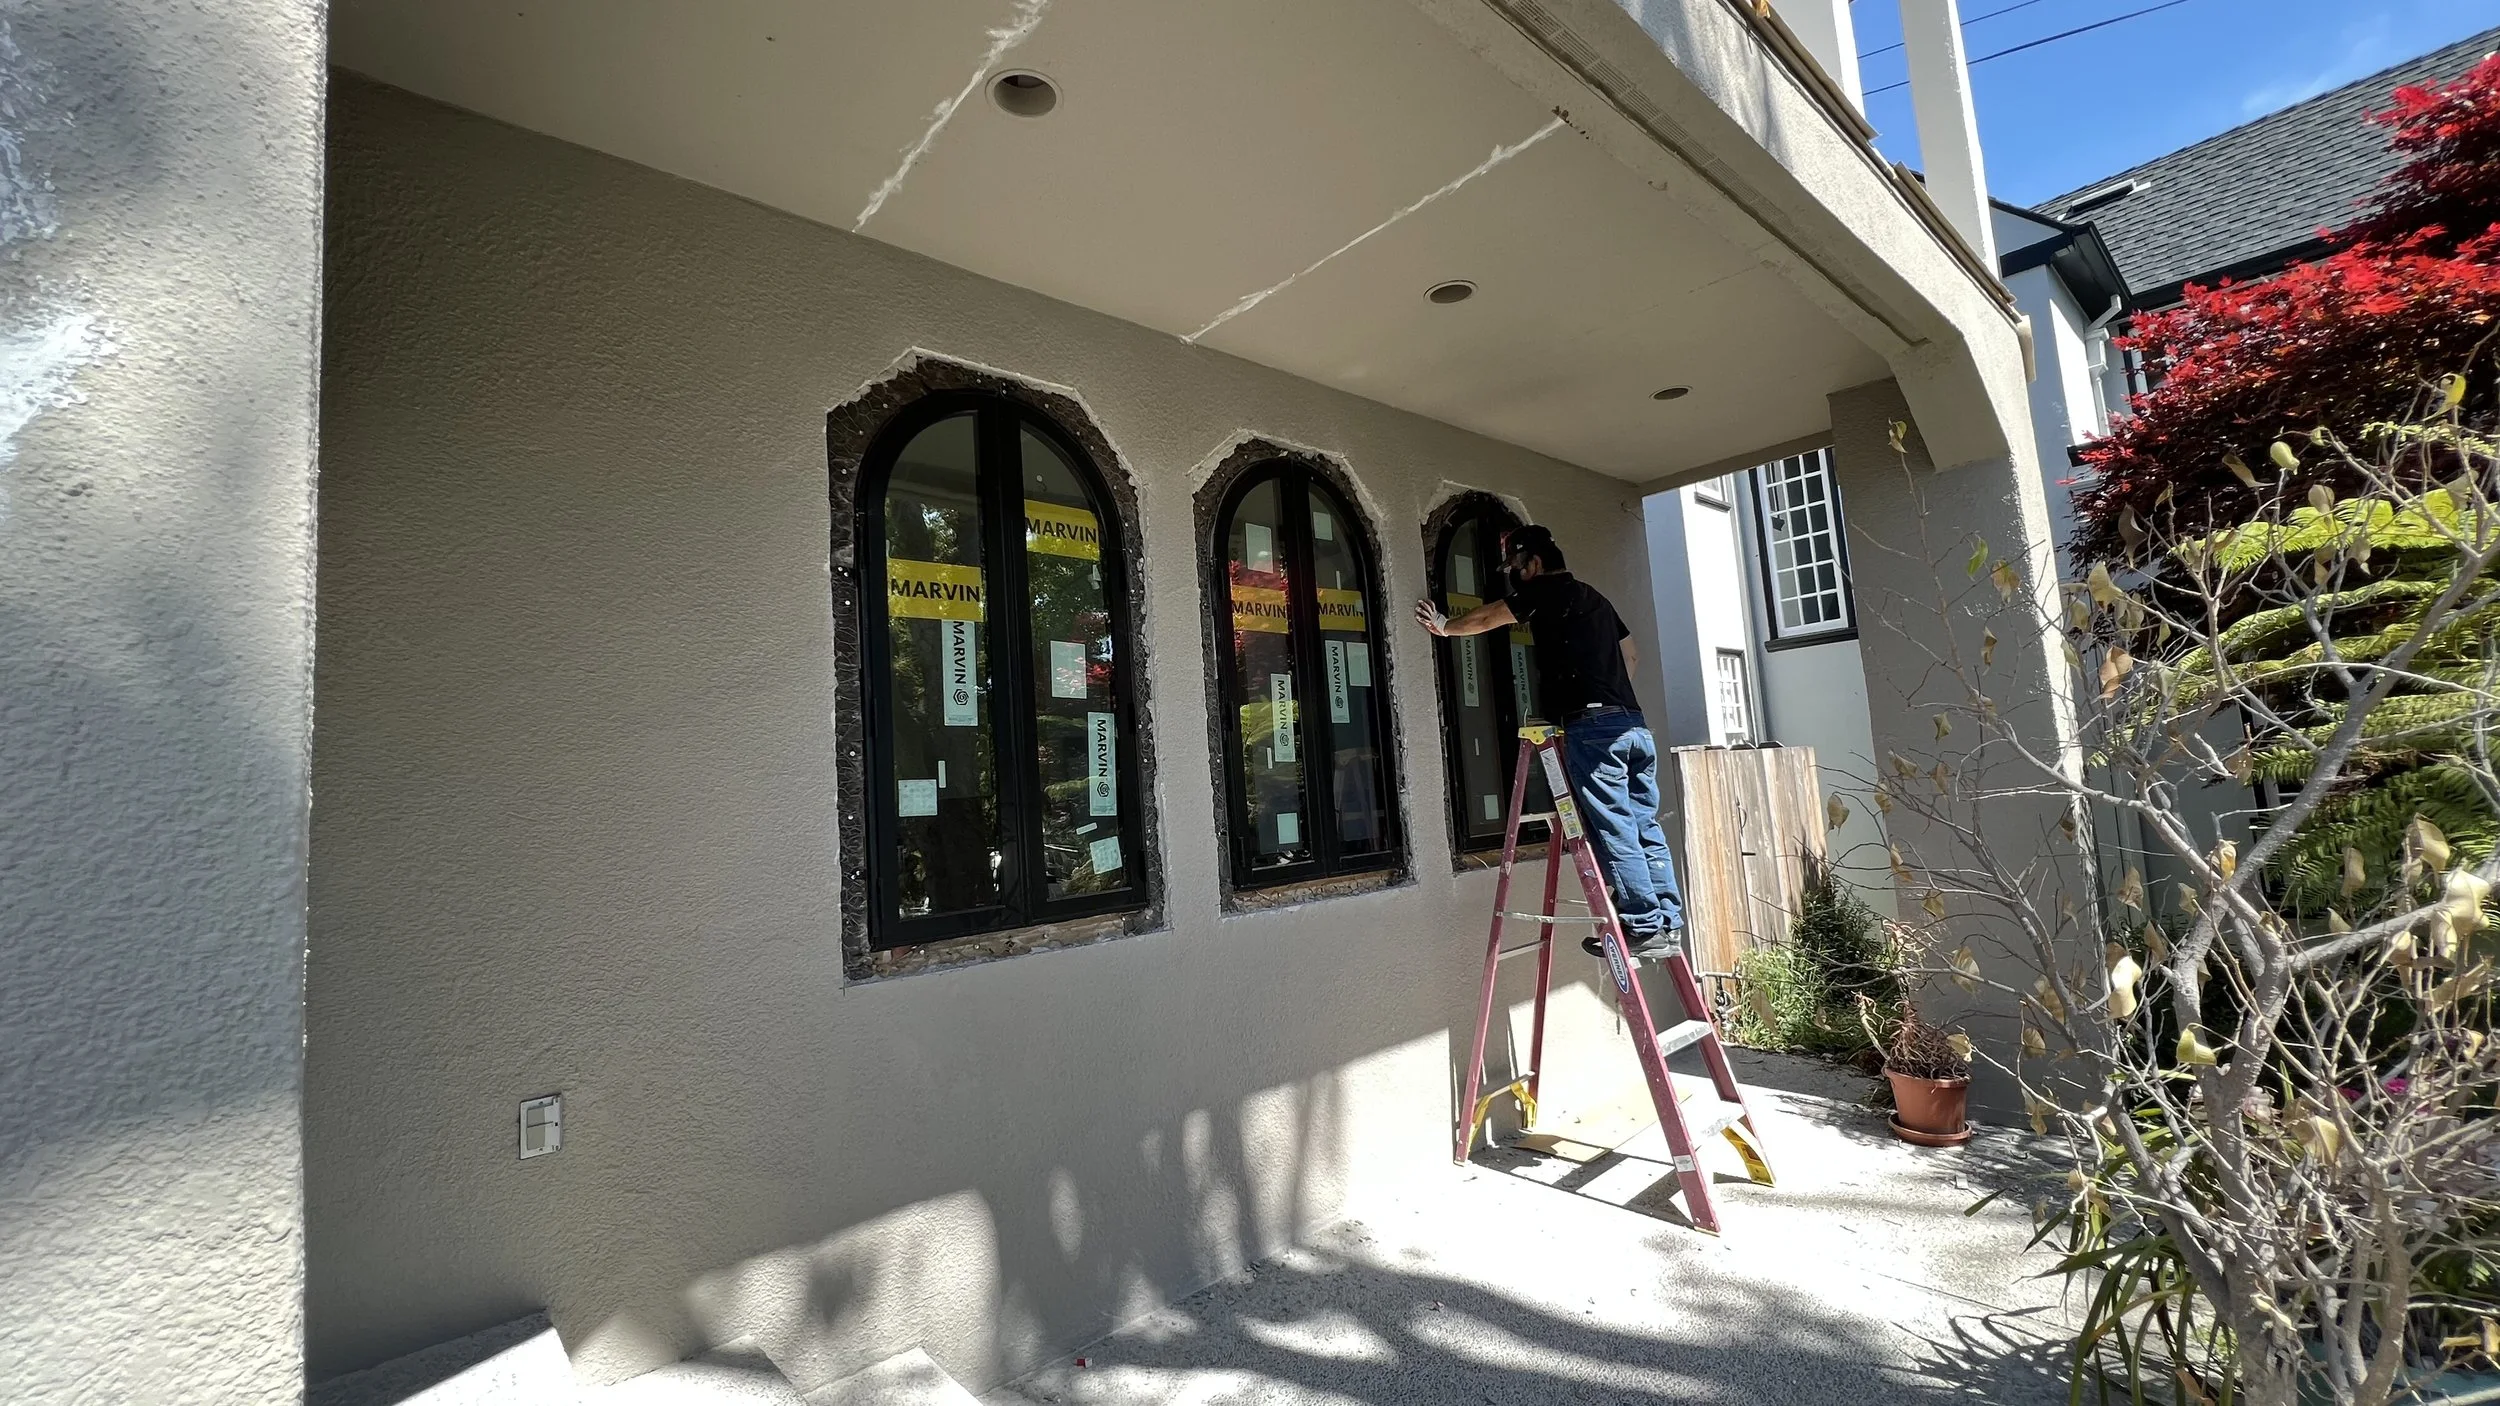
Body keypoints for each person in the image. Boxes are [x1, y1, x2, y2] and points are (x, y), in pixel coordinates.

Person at [1415, 524, 1684, 960]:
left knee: (1612, 825)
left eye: (1516, 569)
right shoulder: (1594, 598)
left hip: (1594, 730)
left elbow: (1487, 617)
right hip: (1632, 724)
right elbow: (1631, 654)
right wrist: (1608, 702)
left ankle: (1642, 924)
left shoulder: (1546, 592)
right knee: (1644, 824)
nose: (1514, 577)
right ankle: (1668, 923)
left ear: (1535, 563)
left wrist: (1445, 627)